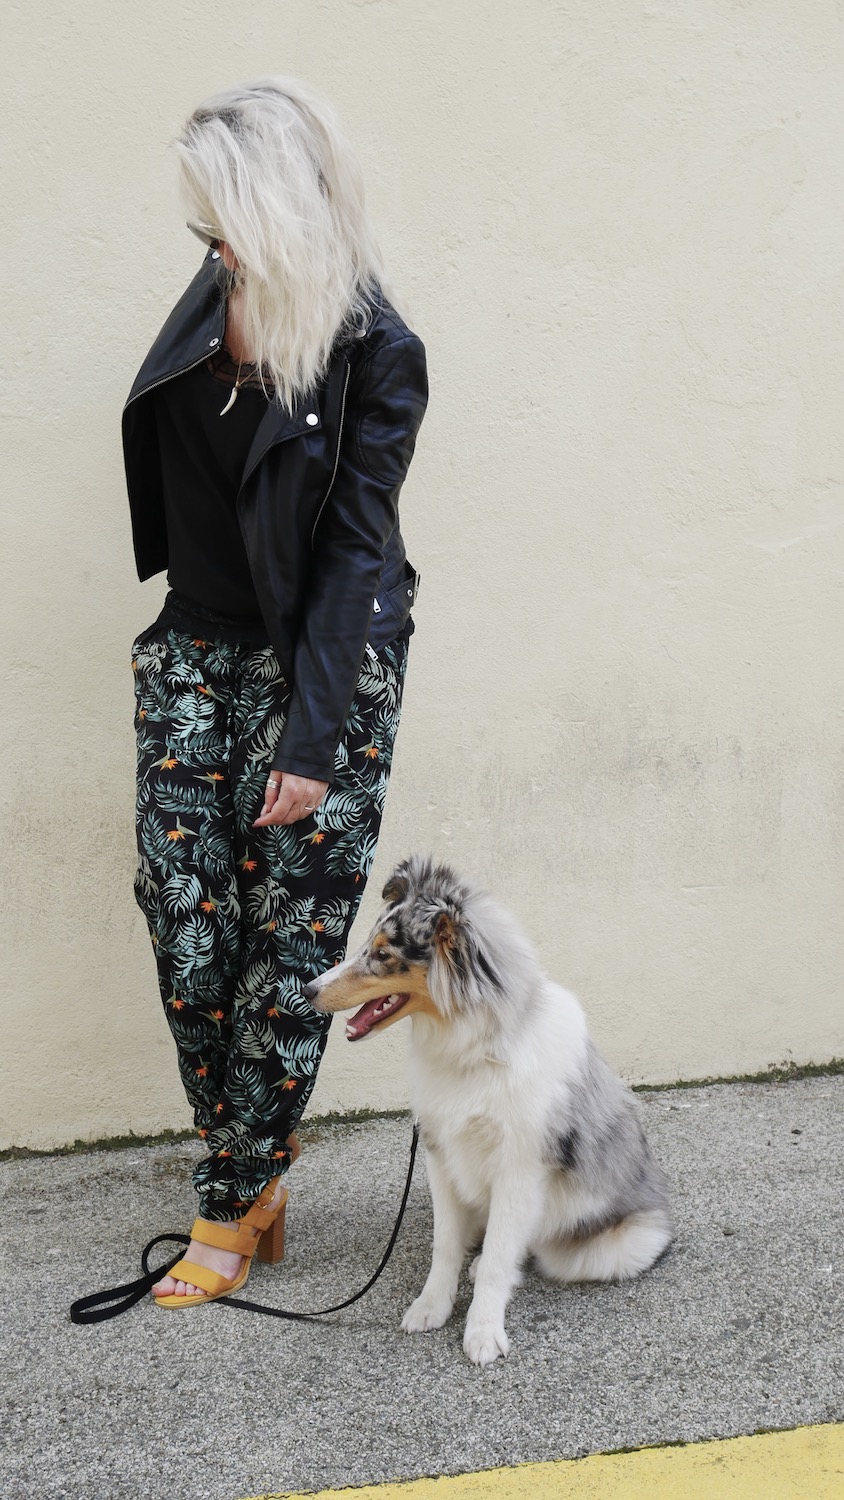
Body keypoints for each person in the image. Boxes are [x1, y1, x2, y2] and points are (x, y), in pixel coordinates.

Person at [122, 77, 427, 1307]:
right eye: (205, 227)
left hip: (327, 661)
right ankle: (251, 1169)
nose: (212, 247)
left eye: (226, 223)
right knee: (183, 916)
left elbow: (354, 552)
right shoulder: (216, 294)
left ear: (281, 214)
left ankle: (233, 1196)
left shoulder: (377, 352)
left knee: (287, 939)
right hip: (196, 644)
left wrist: (313, 739)